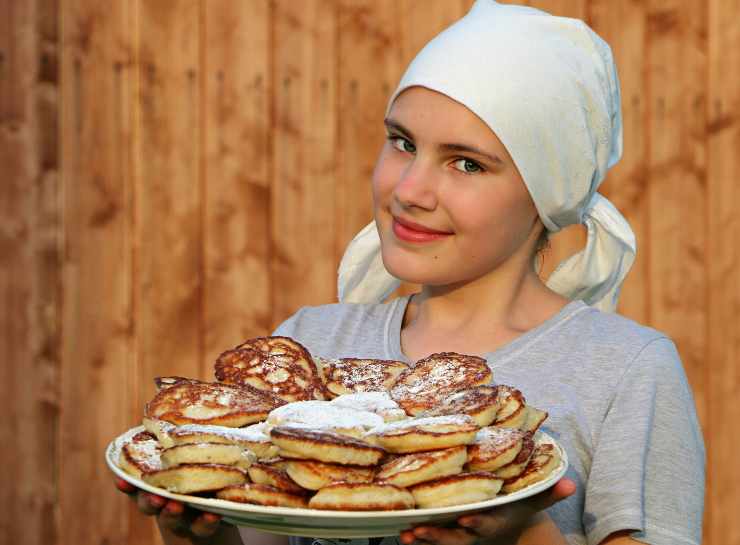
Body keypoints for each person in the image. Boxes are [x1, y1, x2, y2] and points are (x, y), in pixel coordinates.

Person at [116, 1, 706, 544]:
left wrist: (520, 535)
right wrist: (202, 533)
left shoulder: (626, 370)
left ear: (545, 193)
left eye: (467, 163)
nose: (410, 189)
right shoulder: (310, 345)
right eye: (402, 143)